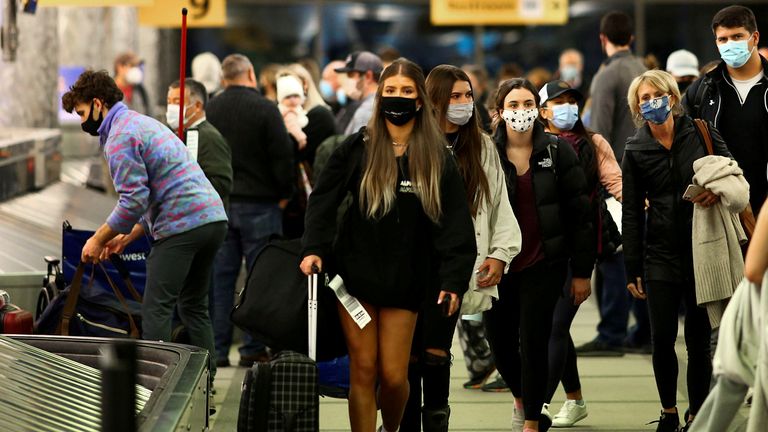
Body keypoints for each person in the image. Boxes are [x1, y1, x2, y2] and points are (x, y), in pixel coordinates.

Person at [300, 58, 477, 432]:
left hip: (408, 280)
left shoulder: (436, 157)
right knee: (363, 371)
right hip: (354, 280)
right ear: (380, 96)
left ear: (419, 101)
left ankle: (390, 429)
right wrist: (313, 248)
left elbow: (456, 227)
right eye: (391, 91)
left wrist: (454, 280)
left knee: (395, 377)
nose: (398, 98)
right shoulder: (357, 148)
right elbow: (322, 201)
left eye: (407, 92)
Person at [63, 70, 227, 386]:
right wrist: (129, 235)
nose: (83, 122)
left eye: (83, 113)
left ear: (98, 104)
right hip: (211, 219)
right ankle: (207, 385)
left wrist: (98, 239)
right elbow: (155, 190)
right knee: (194, 306)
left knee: (156, 310)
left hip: (181, 227)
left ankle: (156, 389)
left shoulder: (120, 136)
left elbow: (133, 200)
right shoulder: (144, 123)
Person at [400, 64, 521, 432]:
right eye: (455, 96)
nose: (464, 103)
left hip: (454, 268)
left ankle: (436, 422)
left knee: (436, 352)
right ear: (434, 100)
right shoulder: (413, 142)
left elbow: (499, 203)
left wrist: (500, 254)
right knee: (406, 355)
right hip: (409, 267)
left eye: (468, 95)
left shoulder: (480, 145)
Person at [623, 70, 732, 432]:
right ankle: (669, 411)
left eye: (657, 94)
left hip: (702, 248)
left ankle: (696, 414)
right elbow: (631, 211)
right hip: (659, 253)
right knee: (663, 339)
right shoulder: (635, 148)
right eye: (644, 98)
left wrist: (715, 190)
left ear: (672, 96)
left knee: (699, 342)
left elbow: (731, 171)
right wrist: (631, 266)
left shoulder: (699, 131)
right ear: (637, 107)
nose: (651, 101)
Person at [485, 78, 594, 432]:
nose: (520, 112)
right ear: (500, 112)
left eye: (527, 103)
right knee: (500, 345)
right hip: (498, 267)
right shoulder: (486, 152)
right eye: (512, 105)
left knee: (535, 343)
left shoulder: (558, 152)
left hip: (543, 264)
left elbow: (580, 216)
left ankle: (532, 420)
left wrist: (581, 272)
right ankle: (521, 398)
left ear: (538, 108)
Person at [537, 80, 623, 428]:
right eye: (558, 102)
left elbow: (616, 183)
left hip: (581, 249)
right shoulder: (535, 143)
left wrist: (639, 206)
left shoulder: (593, 143)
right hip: (543, 251)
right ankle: (575, 400)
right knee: (555, 327)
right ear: (543, 110)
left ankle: (538, 405)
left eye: (572, 101)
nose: (567, 108)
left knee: (556, 326)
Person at [206, 54, 294, 368]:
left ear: (223, 77)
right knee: (260, 279)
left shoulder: (209, 109)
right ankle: (252, 348)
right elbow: (282, 158)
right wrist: (285, 195)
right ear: (251, 74)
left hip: (219, 206)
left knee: (220, 279)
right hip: (261, 204)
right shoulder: (266, 109)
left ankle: (216, 348)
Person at [577, 10, 651, 358]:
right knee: (643, 255)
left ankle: (611, 333)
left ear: (602, 39)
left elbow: (599, 135)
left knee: (614, 257)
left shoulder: (607, 75)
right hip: (648, 172)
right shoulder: (644, 70)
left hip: (618, 177)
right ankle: (643, 330)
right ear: (631, 39)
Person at [683, 5, 768, 215]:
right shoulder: (703, 90)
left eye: (737, 36)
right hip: (722, 206)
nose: (730, 44)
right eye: (723, 39)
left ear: (754, 38)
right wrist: (706, 181)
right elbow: (685, 143)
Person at [276, 65, 336, 238]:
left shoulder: (319, 116)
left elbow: (292, 152)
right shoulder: (287, 116)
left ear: (304, 85)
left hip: (311, 196)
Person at [166, 78, 232, 213]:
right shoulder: (173, 135)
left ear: (197, 106)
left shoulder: (209, 137)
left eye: (177, 102)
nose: (171, 107)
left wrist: (184, 185)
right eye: (169, 102)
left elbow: (222, 183)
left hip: (204, 216)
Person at [337, 51, 384, 136]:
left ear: (368, 76)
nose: (347, 79)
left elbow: (357, 147)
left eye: (351, 74)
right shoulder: (373, 102)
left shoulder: (368, 109)